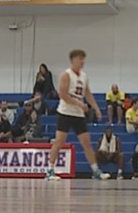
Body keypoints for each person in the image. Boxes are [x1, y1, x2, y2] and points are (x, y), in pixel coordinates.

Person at [45, 49, 110, 181]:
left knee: (86, 143)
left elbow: (88, 94)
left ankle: (95, 170)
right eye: (80, 59)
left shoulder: (84, 76)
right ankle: (50, 170)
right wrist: (80, 105)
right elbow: (62, 95)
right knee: (59, 142)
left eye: (83, 59)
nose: (82, 62)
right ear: (73, 60)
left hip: (78, 115)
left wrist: (96, 108)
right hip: (65, 112)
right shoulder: (66, 75)